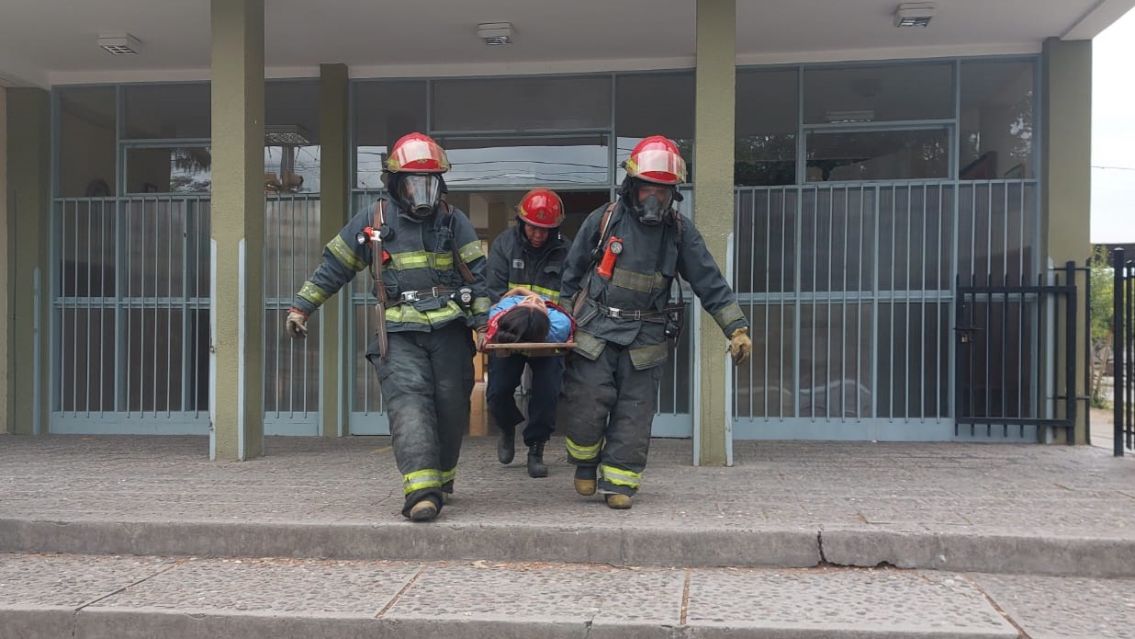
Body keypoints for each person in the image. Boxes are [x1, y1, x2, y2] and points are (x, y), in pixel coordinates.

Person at [284, 132, 491, 522]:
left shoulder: (453, 220)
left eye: (429, 182)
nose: (422, 191)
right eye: (414, 183)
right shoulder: (373, 220)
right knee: (409, 406)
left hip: (449, 330)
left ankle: (442, 478)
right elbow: (336, 265)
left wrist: (483, 324)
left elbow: (479, 276)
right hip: (397, 332)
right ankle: (421, 491)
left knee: (450, 407)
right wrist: (302, 306)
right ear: (396, 183)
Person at [558, 135, 753, 510]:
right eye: (648, 188)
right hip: (595, 330)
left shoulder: (680, 232)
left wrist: (736, 327)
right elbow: (571, 273)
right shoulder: (604, 219)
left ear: (673, 193)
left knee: (635, 412)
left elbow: (709, 280)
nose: (654, 198)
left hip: (646, 337)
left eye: (662, 191)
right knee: (587, 404)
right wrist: (563, 319)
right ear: (632, 186)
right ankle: (584, 462)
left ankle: (619, 482)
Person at [484, 189, 571, 478]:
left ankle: (536, 447)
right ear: (521, 222)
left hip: (548, 333)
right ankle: (507, 428)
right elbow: (493, 292)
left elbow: (571, 294)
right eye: (533, 227)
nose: (538, 235)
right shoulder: (504, 246)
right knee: (497, 391)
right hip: (511, 331)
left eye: (546, 230)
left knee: (547, 393)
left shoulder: (565, 251)